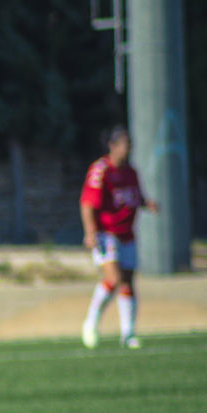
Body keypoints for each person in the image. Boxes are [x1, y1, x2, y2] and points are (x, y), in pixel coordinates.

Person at [79, 125, 159, 349]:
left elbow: (134, 197)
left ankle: (128, 333)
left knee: (128, 282)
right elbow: (87, 203)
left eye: (130, 144)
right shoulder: (100, 170)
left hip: (127, 233)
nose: (129, 148)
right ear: (112, 146)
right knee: (114, 279)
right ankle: (91, 322)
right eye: (125, 143)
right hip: (106, 233)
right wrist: (90, 231)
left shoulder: (131, 172)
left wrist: (147, 203)